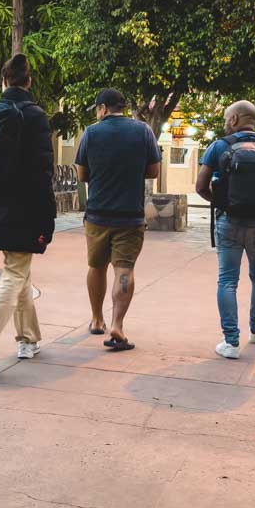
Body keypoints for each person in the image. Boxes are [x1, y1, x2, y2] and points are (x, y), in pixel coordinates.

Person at [0, 54, 55, 376]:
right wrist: (48, 215)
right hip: (27, 205)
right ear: (28, 81)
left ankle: (28, 339)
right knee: (15, 273)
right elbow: (45, 172)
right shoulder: (36, 116)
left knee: (19, 269)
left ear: (3, 81)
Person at [195, 100, 255, 360]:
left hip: (229, 222)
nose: (226, 123)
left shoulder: (219, 146)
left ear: (236, 119)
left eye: (228, 119)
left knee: (227, 280)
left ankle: (231, 343)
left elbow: (200, 186)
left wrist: (221, 202)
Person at [75, 88, 161, 351]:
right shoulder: (143, 131)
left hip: (98, 213)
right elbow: (153, 171)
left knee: (96, 266)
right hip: (130, 215)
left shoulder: (91, 132)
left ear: (102, 108)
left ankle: (97, 319)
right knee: (124, 270)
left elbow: (81, 174)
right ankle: (117, 325)